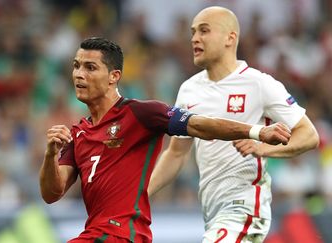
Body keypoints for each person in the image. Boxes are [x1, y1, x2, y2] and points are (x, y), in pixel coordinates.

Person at [39, 37, 291, 243]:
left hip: (122, 234)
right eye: (76, 66)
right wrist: (50, 154)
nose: (79, 74)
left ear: (114, 76)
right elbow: (52, 193)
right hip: (98, 233)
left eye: (90, 67)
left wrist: (255, 132)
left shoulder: (140, 113)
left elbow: (199, 124)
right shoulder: (78, 133)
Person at [147, 6, 320, 243]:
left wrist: (265, 149)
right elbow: (176, 153)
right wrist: (142, 195)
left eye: (204, 31)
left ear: (230, 38)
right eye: (193, 32)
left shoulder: (258, 83)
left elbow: (309, 135)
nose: (194, 38)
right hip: (212, 212)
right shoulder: (189, 90)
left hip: (245, 207)